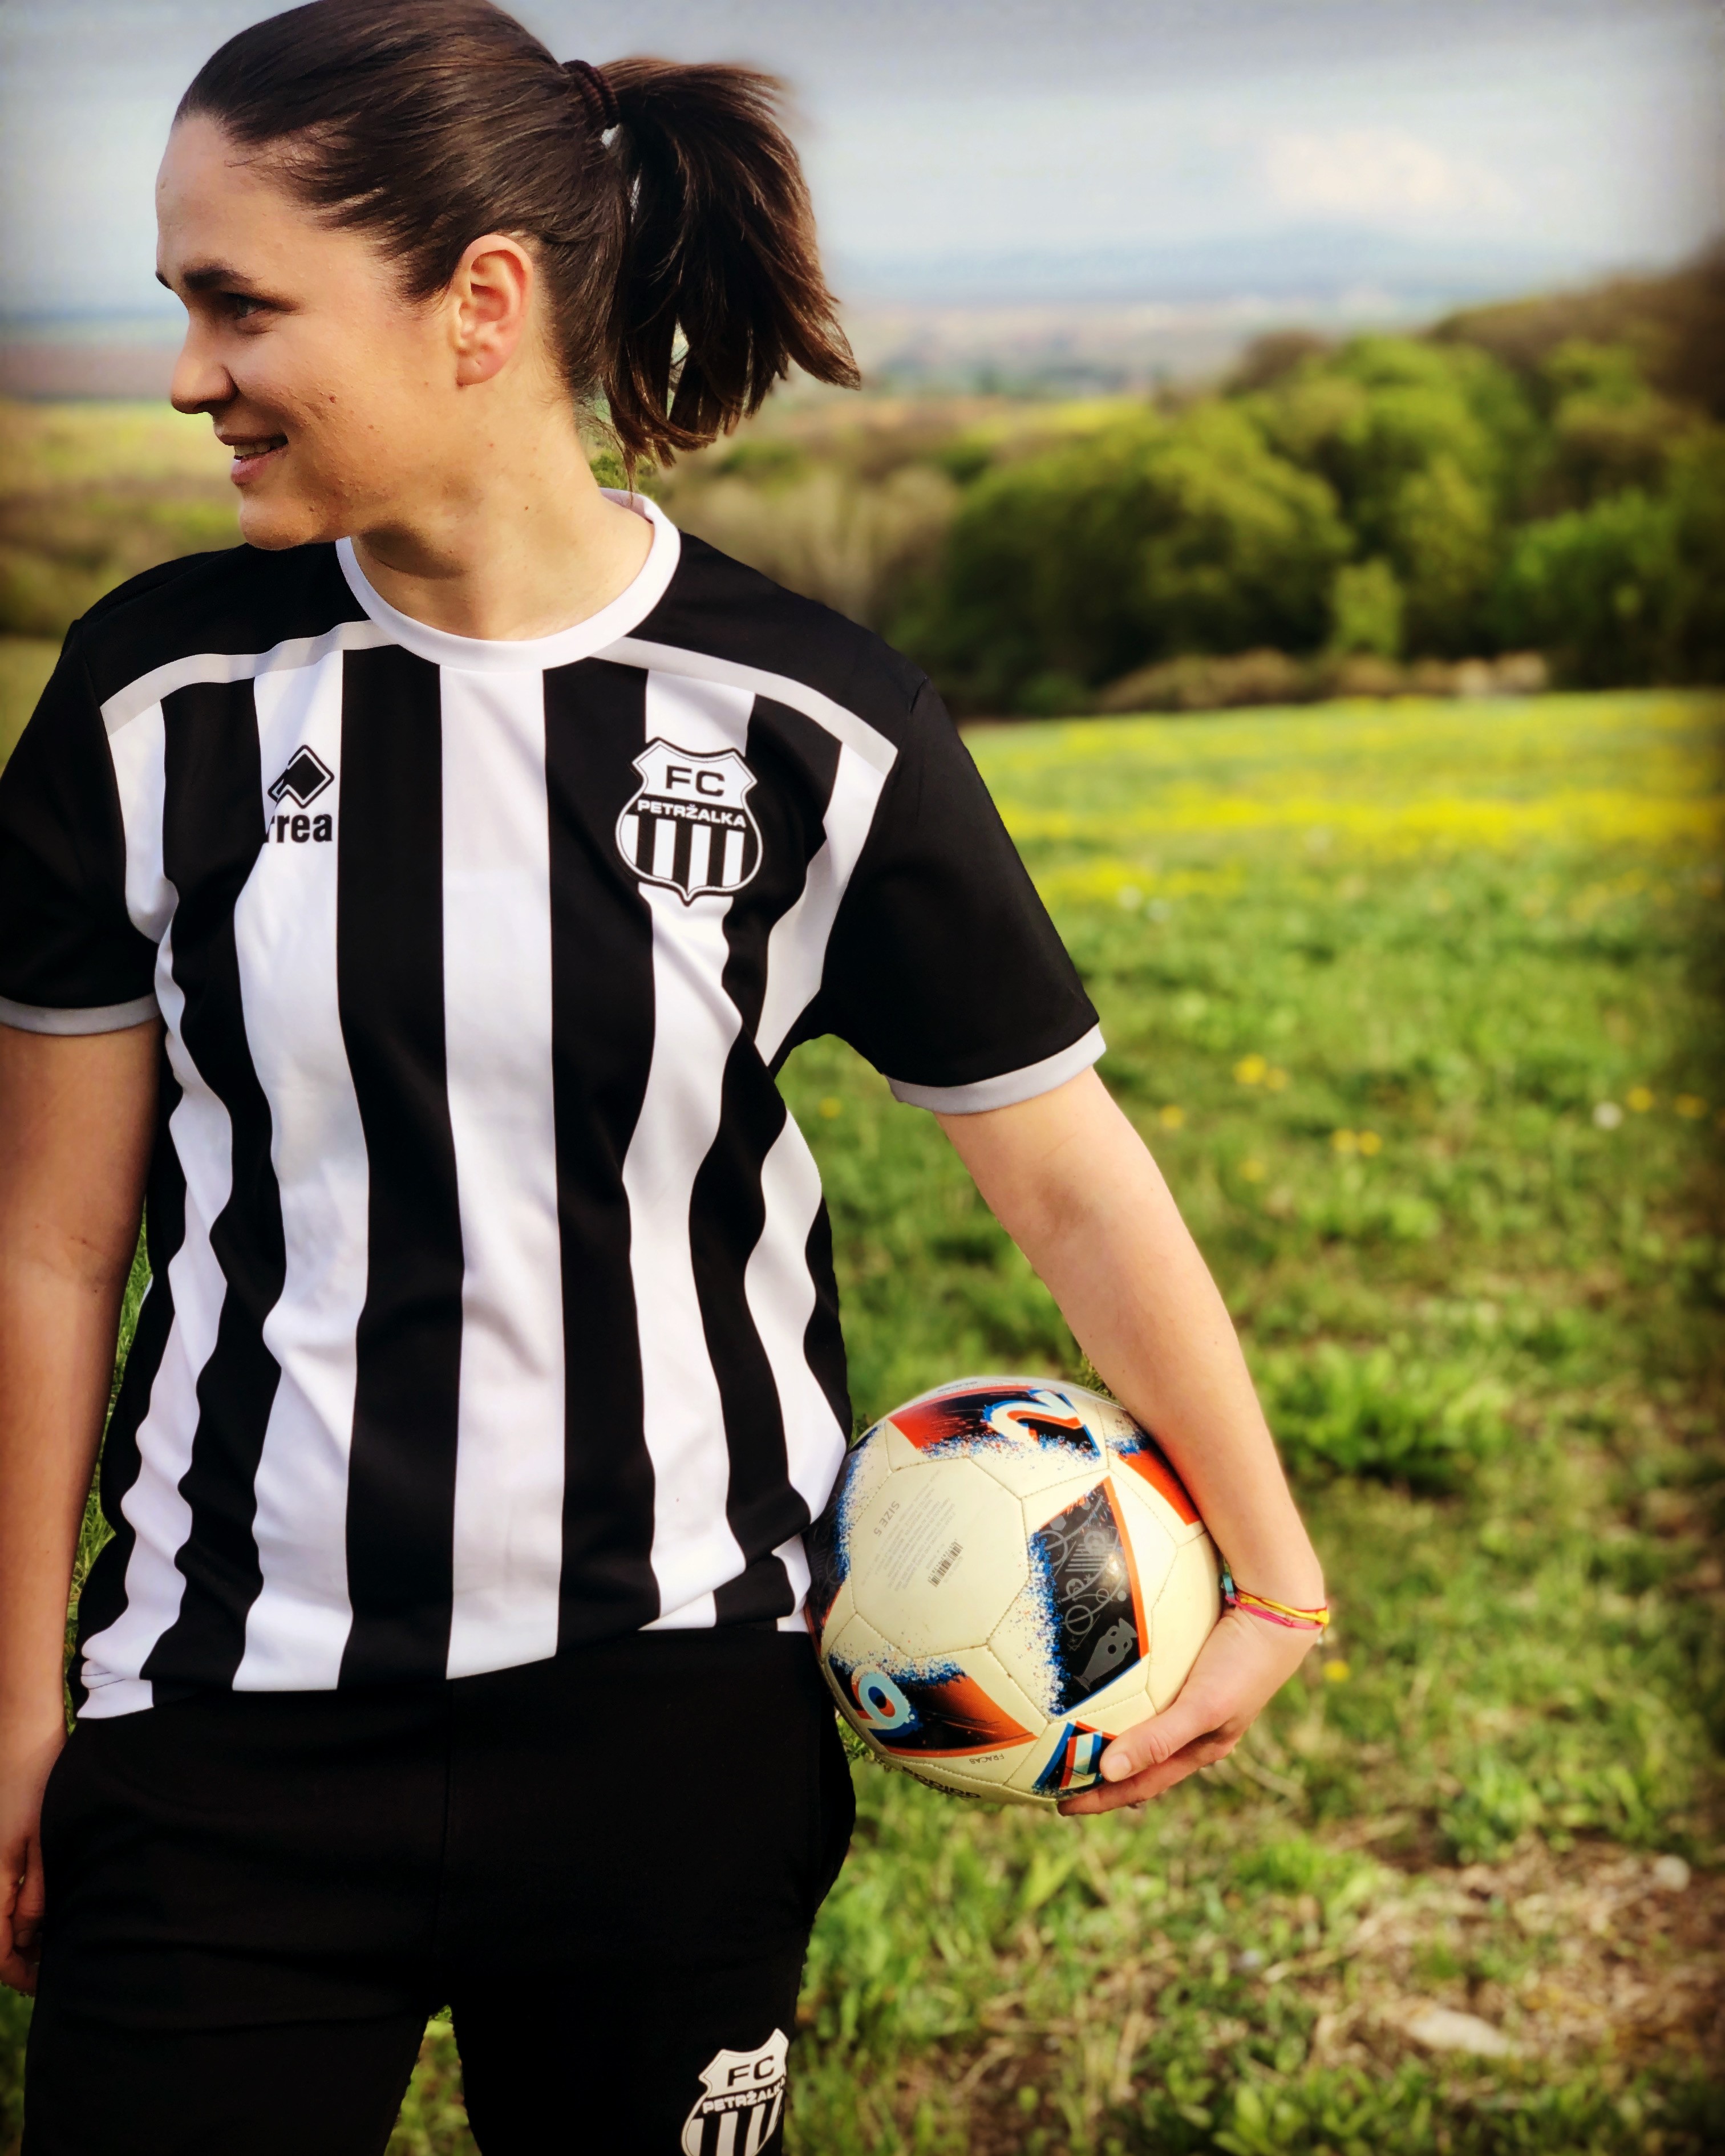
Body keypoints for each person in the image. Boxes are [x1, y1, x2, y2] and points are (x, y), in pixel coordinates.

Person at [0, 2, 1327, 2148]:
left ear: (480, 304)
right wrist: (16, 1711)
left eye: (240, 304)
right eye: (178, 304)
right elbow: (50, 1249)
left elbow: (1070, 1176)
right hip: (224, 1717)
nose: (185, 373)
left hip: (676, 1725)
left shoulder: (817, 721)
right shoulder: (155, 695)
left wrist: (1275, 1573)